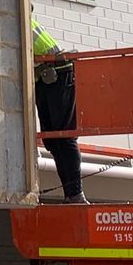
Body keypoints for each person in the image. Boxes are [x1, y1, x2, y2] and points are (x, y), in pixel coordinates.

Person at [33, 16, 87, 203]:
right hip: (44, 76)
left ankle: (76, 194)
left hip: (58, 71)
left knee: (63, 136)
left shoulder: (18, 18)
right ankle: (71, 194)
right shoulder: (15, 18)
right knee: (52, 141)